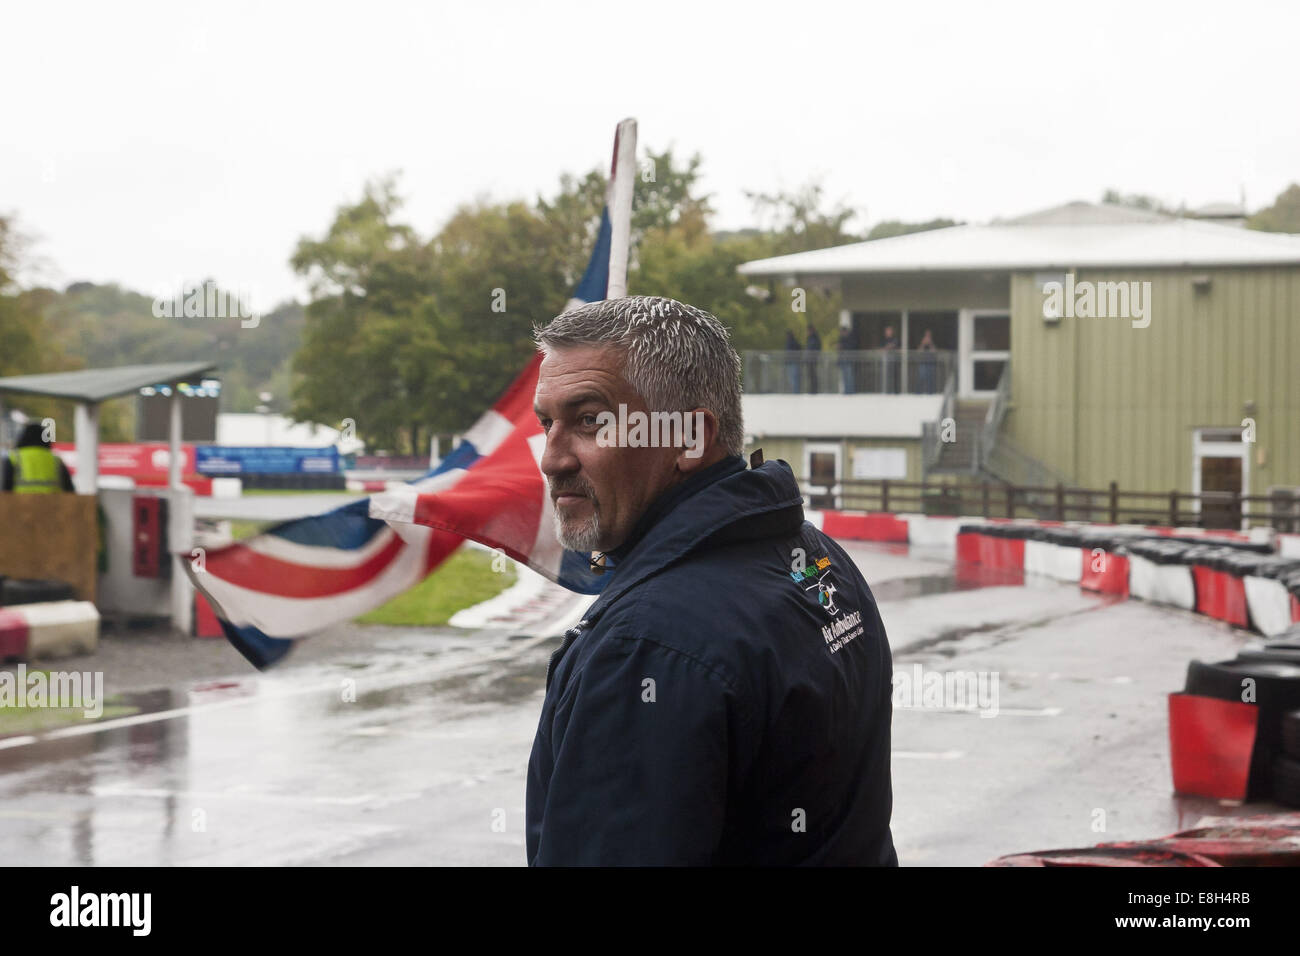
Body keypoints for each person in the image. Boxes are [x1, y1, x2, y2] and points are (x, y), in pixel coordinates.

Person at [527, 295, 898, 866]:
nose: (552, 459)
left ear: (689, 439)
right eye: (547, 423)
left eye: (591, 421)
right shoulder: (818, 558)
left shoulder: (644, 648)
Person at [2, 421, 75, 493]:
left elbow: (5, 488)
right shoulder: (56, 460)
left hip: (20, 504)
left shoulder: (14, 458)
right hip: (51, 504)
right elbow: (70, 491)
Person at [837, 323, 858, 394]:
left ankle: (850, 391)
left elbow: (851, 347)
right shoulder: (841, 338)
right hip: (843, 360)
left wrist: (842, 346)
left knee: (849, 376)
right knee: (844, 377)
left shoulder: (850, 338)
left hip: (848, 359)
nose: (841, 333)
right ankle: (846, 390)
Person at [917, 328, 937, 394]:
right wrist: (923, 343)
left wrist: (930, 343)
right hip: (923, 362)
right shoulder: (922, 342)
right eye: (926, 335)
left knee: (930, 379)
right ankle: (919, 393)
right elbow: (919, 351)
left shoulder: (932, 343)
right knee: (921, 378)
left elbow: (934, 351)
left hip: (930, 363)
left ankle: (930, 393)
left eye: (929, 335)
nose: (927, 337)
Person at [881, 324, 900, 394]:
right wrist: (888, 346)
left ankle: (896, 392)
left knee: (895, 376)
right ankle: (887, 391)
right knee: (887, 376)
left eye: (890, 330)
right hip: (886, 360)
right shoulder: (883, 339)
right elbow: (882, 348)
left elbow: (897, 347)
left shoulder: (895, 339)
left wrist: (890, 346)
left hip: (894, 360)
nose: (888, 332)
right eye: (887, 330)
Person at [804, 322, 822, 393]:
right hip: (809, 359)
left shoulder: (815, 337)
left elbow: (815, 348)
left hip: (813, 359)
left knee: (813, 375)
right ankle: (812, 390)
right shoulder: (810, 338)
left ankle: (814, 390)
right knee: (810, 375)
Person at [784, 328, 802, 393]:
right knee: (792, 379)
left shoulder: (793, 343)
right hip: (790, 363)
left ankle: (795, 392)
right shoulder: (790, 342)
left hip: (794, 362)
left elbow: (798, 350)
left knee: (794, 378)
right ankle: (794, 391)